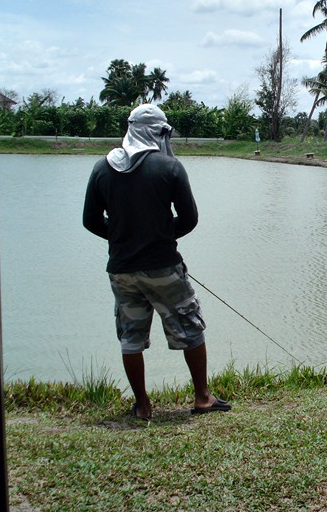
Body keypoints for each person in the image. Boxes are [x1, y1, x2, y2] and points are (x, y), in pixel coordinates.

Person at [83, 103, 231, 419]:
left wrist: (122, 237)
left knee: (130, 336)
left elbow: (90, 220)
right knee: (190, 326)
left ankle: (142, 404)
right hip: (164, 267)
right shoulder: (170, 168)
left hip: (121, 270)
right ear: (158, 133)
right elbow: (189, 219)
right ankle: (203, 397)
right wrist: (162, 236)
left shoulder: (102, 168)